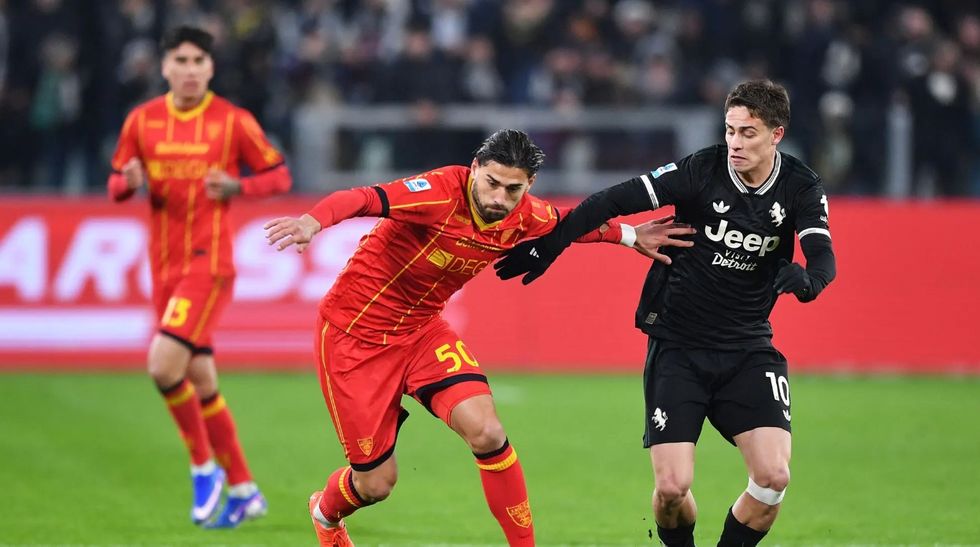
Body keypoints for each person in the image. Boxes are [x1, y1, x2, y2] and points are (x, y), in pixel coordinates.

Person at [263, 129, 695, 546]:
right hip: (353, 336)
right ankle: (325, 514)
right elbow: (364, 198)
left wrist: (629, 235)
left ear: (529, 185)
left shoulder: (523, 213)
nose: (499, 199)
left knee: (488, 432)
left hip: (421, 332)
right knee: (376, 483)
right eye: (491, 183)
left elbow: (568, 224)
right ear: (474, 168)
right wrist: (312, 221)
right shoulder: (436, 193)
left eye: (513, 189)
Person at [494, 80, 837, 546]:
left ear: (776, 134)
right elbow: (612, 199)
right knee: (672, 489)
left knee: (774, 478)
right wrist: (552, 246)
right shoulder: (701, 170)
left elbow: (822, 258)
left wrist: (809, 282)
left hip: (748, 348)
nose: (735, 143)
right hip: (679, 348)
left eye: (748, 133)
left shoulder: (801, 185)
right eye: (730, 130)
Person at [107, 25, 292, 528]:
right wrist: (128, 183)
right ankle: (245, 490)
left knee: (162, 366)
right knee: (201, 380)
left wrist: (238, 186)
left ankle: (203, 467)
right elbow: (116, 182)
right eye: (181, 61)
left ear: (210, 68)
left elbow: (278, 174)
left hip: (208, 265)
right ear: (164, 66)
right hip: (163, 267)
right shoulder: (142, 120)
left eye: (198, 61)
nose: (190, 70)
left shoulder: (232, 121)